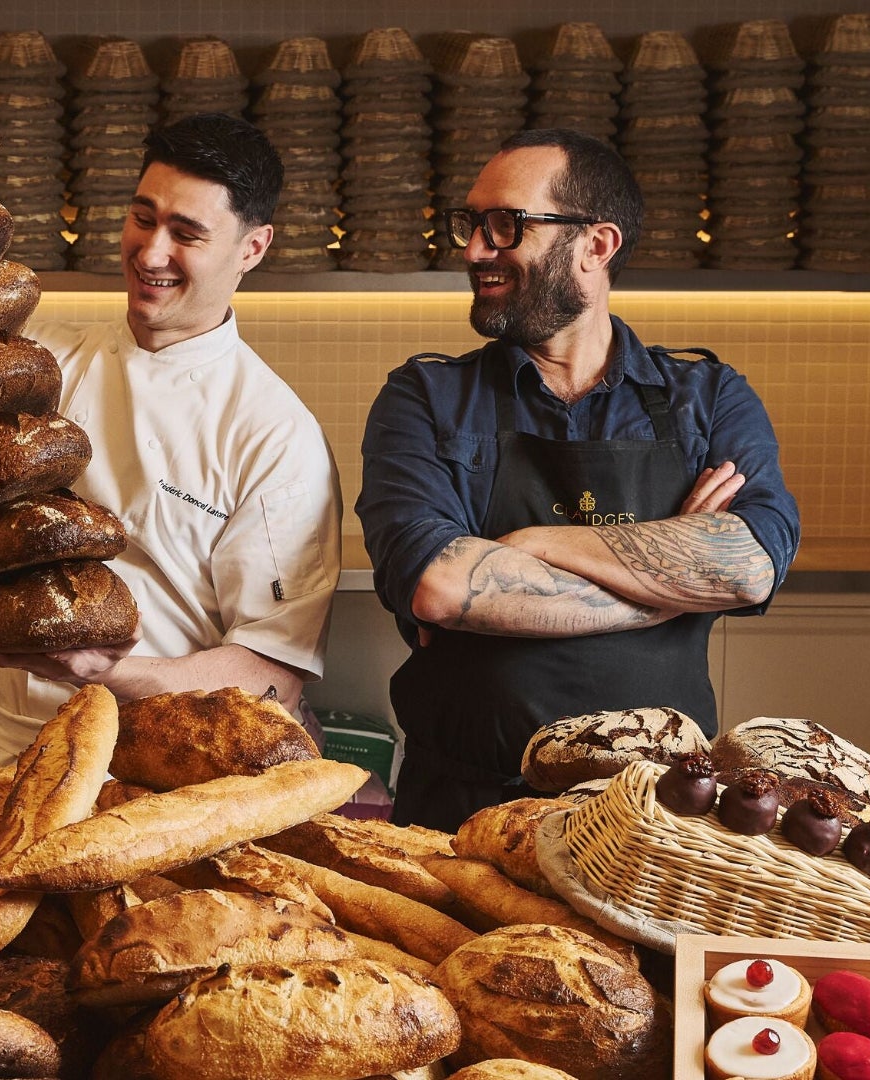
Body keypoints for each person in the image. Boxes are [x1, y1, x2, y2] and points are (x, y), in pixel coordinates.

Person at [0, 104, 342, 779]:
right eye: (143, 218)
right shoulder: (37, 358)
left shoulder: (273, 435)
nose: (152, 251)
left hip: (157, 779)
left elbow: (270, 675)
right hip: (10, 761)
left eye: (186, 233)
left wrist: (109, 672)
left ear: (252, 248)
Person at [356, 128, 801, 831]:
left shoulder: (706, 398)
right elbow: (439, 584)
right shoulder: (425, 397)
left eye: (506, 225)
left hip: (658, 824)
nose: (475, 249)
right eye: (470, 225)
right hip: (465, 814)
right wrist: (668, 590)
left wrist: (527, 543)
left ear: (596, 246)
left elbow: (748, 566)